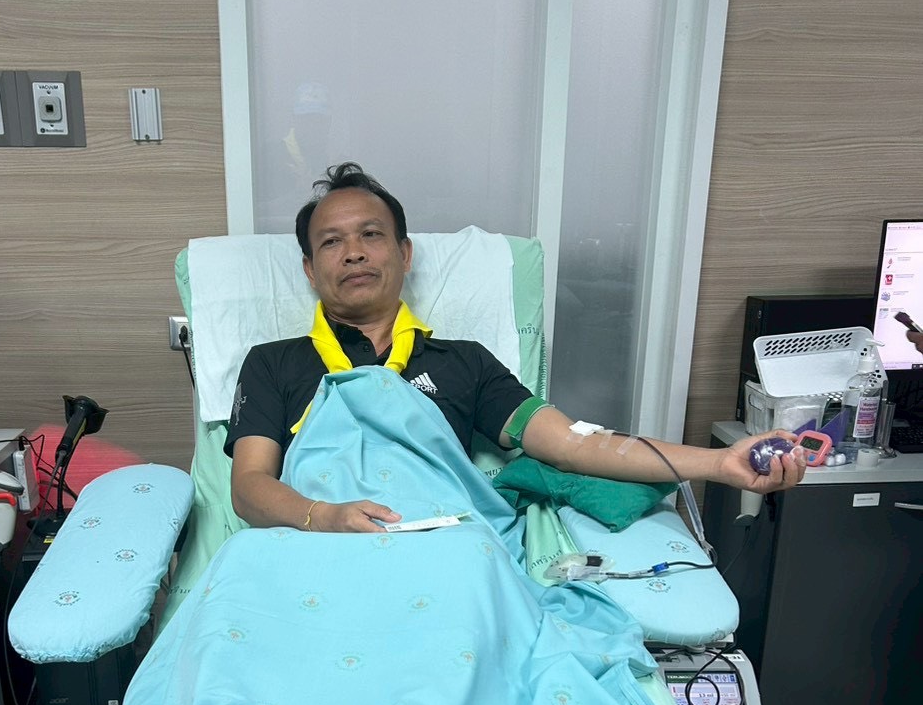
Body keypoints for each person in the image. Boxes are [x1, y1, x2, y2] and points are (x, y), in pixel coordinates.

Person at [225, 162, 806, 530]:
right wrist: (325, 518)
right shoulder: (274, 364)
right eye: (331, 242)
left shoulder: (464, 363)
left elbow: (574, 445)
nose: (353, 252)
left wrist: (719, 464)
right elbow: (249, 489)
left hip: (441, 550)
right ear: (310, 269)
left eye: (371, 235)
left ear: (404, 254)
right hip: (312, 546)